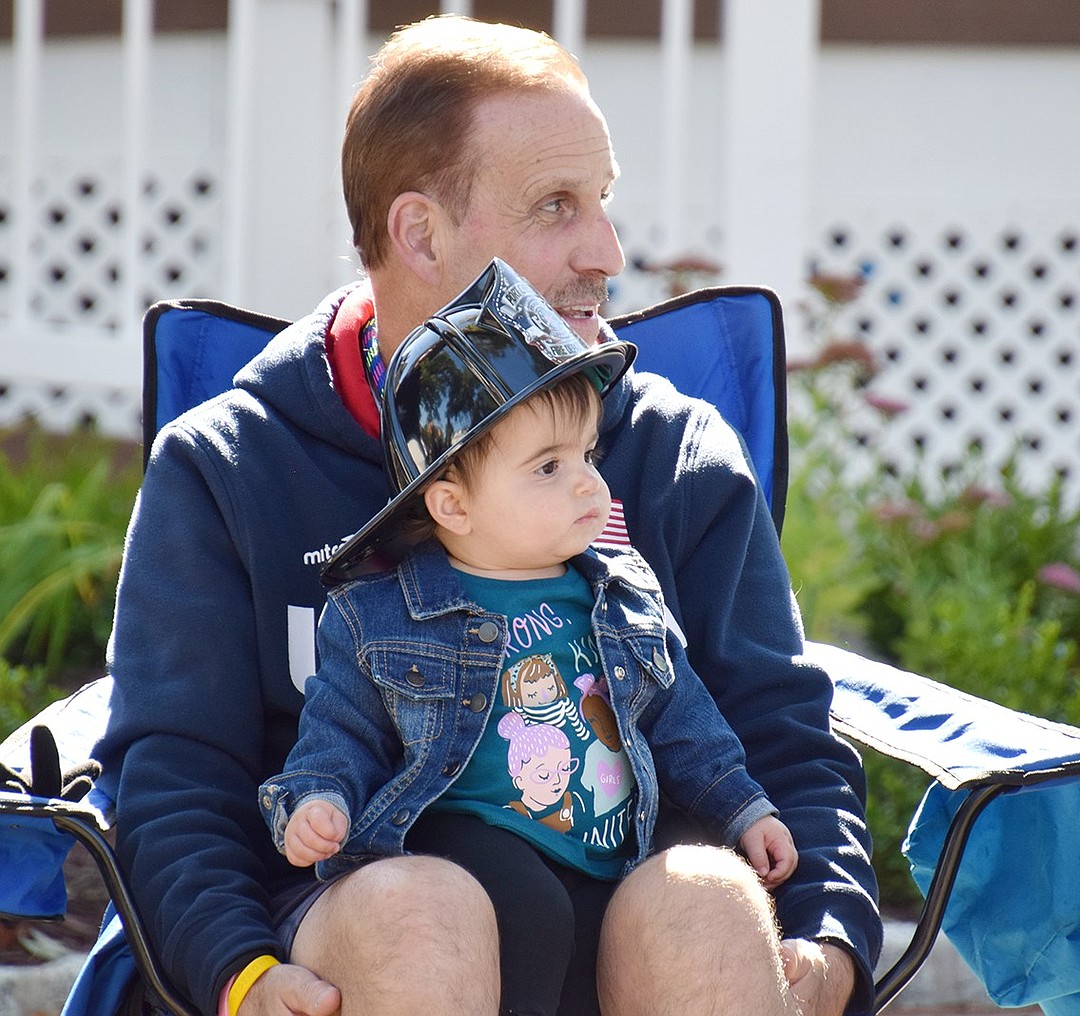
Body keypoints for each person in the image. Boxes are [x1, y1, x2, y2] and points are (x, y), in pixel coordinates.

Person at [96, 14, 881, 1016]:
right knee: (422, 914)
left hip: (637, 904)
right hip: (350, 925)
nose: (608, 252)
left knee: (706, 905)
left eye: (603, 202)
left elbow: (781, 736)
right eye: (558, 205)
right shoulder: (232, 467)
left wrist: (824, 942)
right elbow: (174, 782)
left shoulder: (671, 455)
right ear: (419, 231)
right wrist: (242, 972)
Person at [259, 260, 799, 1015]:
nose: (588, 483)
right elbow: (339, 733)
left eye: (587, 456)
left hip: (616, 848)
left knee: (670, 905)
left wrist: (744, 807)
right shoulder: (380, 614)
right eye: (548, 466)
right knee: (529, 916)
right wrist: (317, 800)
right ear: (452, 504)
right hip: (477, 846)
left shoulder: (621, 589)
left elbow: (684, 721)